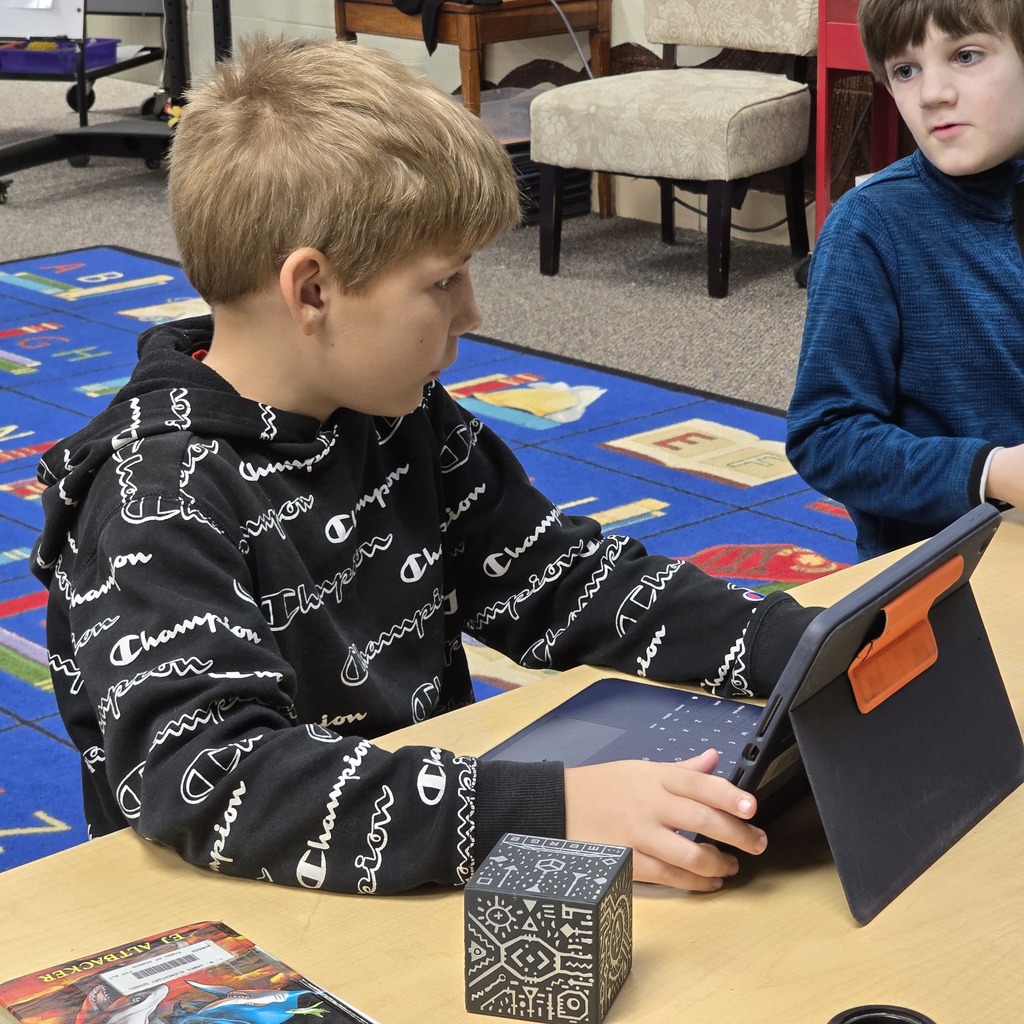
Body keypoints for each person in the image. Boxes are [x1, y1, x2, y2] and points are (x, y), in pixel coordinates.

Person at [31, 36, 817, 897]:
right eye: (443, 281)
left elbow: (559, 584)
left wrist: (800, 644)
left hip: (417, 852)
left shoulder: (389, 411)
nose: (472, 311)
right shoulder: (154, 501)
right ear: (313, 291)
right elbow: (218, 784)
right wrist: (555, 810)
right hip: (236, 909)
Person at [786, 0, 1024, 560]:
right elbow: (825, 436)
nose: (932, 94)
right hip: (946, 573)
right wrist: (988, 471)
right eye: (905, 70)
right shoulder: (870, 227)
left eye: (966, 55)